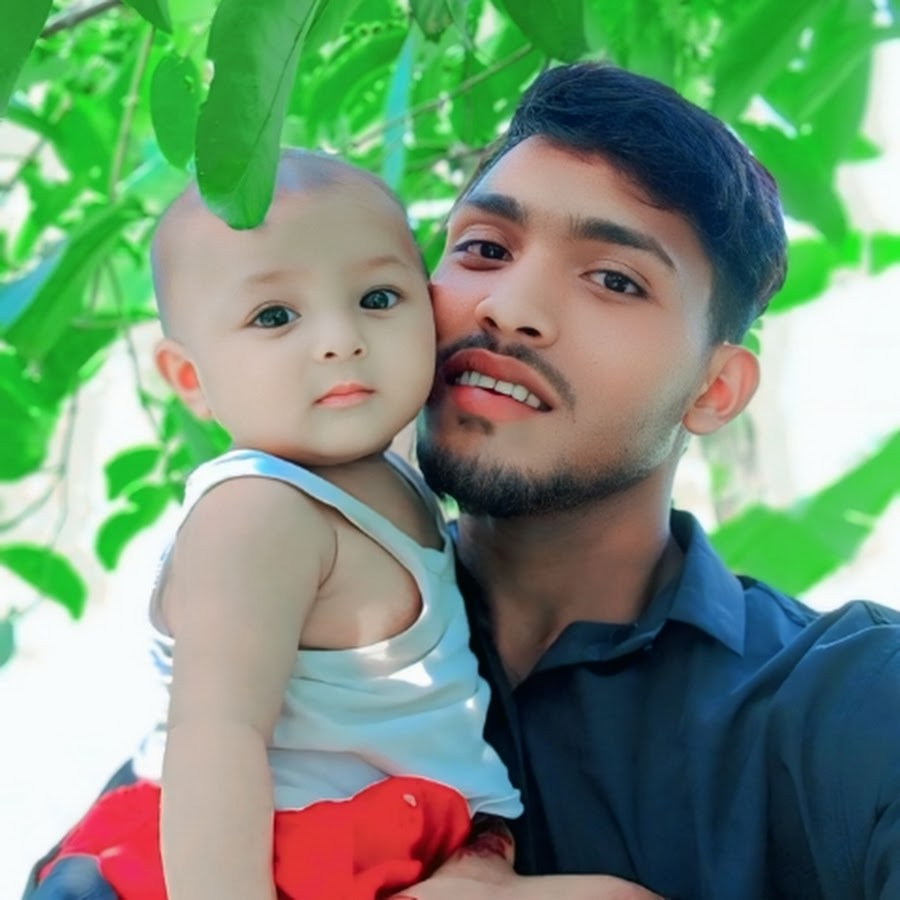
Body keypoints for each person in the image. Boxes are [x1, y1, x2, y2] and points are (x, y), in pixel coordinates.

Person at [27, 60, 900, 899]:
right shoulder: (306, 622)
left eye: (613, 279)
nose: (508, 307)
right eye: (483, 247)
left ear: (714, 390)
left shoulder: (856, 704)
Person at [32, 150, 537, 900]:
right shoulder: (259, 514)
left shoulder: (385, 469)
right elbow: (216, 737)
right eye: (275, 316)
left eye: (378, 298)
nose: (341, 339)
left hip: (384, 835)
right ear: (190, 379)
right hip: (271, 852)